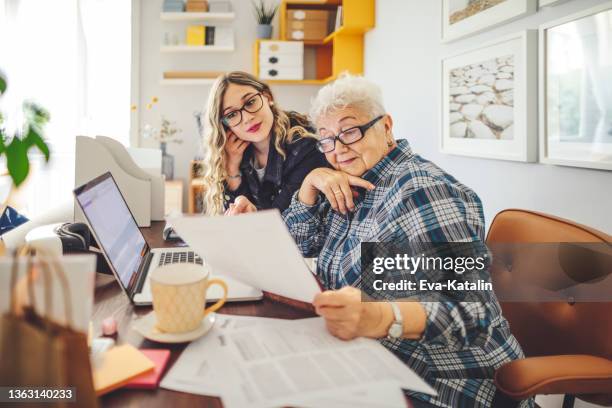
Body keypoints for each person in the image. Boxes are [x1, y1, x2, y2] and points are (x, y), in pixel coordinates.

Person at [229, 74, 529, 408]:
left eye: (350, 131)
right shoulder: (356, 184)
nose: (338, 149)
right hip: (372, 359)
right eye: (326, 139)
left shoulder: (421, 191)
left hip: (442, 385)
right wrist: (309, 186)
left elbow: (472, 312)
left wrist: (378, 317)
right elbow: (301, 246)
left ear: (385, 126)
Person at [200, 71, 328, 215]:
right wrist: (232, 169)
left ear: (267, 97)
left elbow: (283, 220)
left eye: (250, 102)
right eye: (232, 114)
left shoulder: (304, 144)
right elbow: (236, 217)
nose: (247, 118)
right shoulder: (236, 151)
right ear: (225, 125)